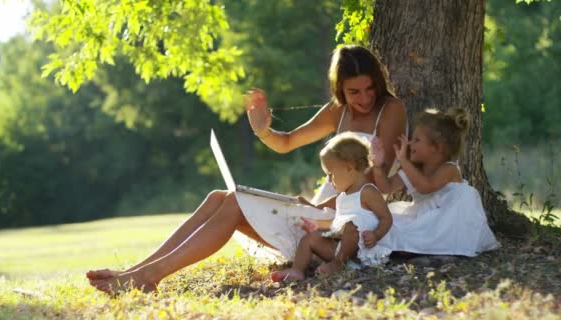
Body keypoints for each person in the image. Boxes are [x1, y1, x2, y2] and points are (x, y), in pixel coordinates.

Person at [86, 45, 407, 294]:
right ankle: (134, 271)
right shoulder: (337, 111)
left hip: (340, 223)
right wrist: (262, 129)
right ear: (340, 90)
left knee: (236, 203)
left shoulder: (389, 110)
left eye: (369, 89)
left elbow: (373, 183)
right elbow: (286, 142)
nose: (364, 98)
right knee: (217, 196)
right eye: (354, 92)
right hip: (319, 211)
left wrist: (318, 207)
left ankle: (148, 277)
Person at [371, 108, 499, 256]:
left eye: (417, 140)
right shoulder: (412, 169)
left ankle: (420, 248)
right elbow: (386, 187)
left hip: (449, 221)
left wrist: (404, 161)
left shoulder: (449, 169)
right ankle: (413, 247)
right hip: (422, 216)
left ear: (437, 147)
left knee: (415, 235)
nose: (410, 144)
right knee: (385, 225)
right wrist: (378, 166)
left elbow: (427, 187)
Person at [269, 133, 393, 283]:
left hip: (363, 252)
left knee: (351, 225)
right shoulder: (342, 197)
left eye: (330, 174)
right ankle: (297, 270)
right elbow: (336, 222)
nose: (328, 180)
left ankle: (338, 264)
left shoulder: (367, 191)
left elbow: (387, 217)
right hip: (341, 250)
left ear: (349, 168)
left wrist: (376, 235)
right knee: (310, 238)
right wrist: (315, 222)